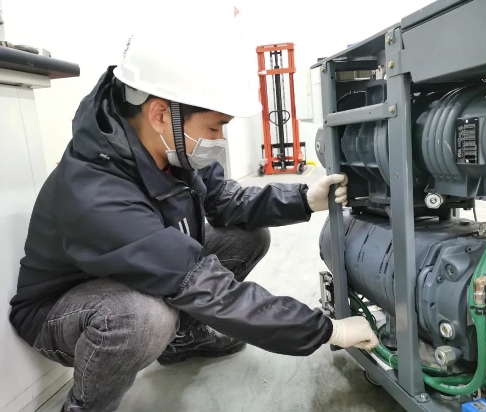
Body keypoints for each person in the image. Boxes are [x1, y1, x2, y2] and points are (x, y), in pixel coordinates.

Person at [8, 6, 378, 412]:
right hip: (61, 309)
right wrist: (327, 330)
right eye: (215, 127)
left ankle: (185, 341)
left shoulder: (170, 148)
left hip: (131, 270)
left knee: (246, 236)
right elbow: (207, 288)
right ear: (160, 114)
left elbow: (226, 202)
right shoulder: (96, 191)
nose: (220, 139)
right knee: (143, 318)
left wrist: (304, 198)